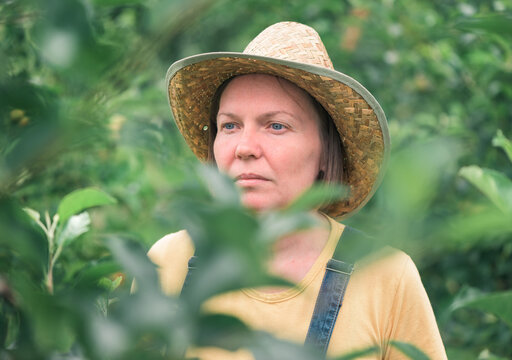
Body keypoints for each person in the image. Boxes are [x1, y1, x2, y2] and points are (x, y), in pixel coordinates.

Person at [149, 22, 447, 359]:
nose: (244, 147)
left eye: (276, 125)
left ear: (324, 150)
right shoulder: (169, 262)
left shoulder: (386, 276)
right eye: (229, 125)